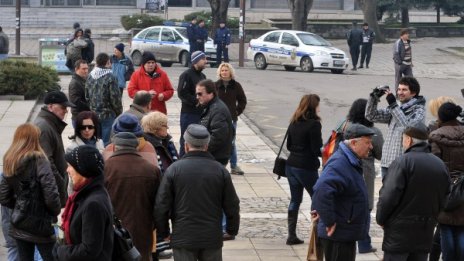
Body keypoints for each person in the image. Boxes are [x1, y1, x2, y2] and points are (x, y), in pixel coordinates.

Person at [155, 124, 240, 261]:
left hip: (183, 236)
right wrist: (232, 230)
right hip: (211, 237)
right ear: (206, 146)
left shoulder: (174, 170)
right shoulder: (220, 170)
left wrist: (164, 232)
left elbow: (161, 205)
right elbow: (232, 204)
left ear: (186, 146)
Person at [376, 123, 449, 261]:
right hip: (425, 230)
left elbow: (388, 196)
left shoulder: (402, 162)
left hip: (399, 233)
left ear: (408, 139)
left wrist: (381, 218)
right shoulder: (440, 165)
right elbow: (445, 197)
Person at [311, 123, 374, 261]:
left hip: (345, 233)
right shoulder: (340, 163)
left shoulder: (350, 161)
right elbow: (321, 190)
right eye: (367, 142)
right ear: (353, 143)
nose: (371, 146)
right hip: (339, 235)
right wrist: (329, 221)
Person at [0, 123, 61, 261]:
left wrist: (20, 206)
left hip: (20, 222)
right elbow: (51, 194)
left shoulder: (10, 160)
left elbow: (3, 196)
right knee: (51, 257)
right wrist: (54, 212)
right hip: (41, 222)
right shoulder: (40, 160)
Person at [105, 132, 161, 261]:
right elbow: (160, 204)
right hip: (144, 231)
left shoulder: (105, 168)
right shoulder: (152, 170)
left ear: (114, 147)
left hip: (114, 235)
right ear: (136, 147)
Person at [54, 145, 114, 260]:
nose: (67, 170)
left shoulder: (93, 204)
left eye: (71, 166)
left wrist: (61, 251)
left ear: (83, 170)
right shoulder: (87, 194)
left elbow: (89, 250)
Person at [365, 76, 425, 178]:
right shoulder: (397, 108)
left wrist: (393, 105)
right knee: (385, 194)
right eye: (399, 89)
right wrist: (374, 97)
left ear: (413, 93)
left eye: (404, 90)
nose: (400, 92)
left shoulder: (419, 110)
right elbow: (371, 116)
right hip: (386, 162)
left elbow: (408, 128)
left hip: (403, 165)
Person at [346, 99, 384, 254]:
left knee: (347, 204)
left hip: (346, 169)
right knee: (365, 206)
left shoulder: (345, 127)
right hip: (365, 171)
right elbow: (381, 154)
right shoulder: (373, 132)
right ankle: (364, 243)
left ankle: (348, 237)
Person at [284, 94, 322, 245]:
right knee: (317, 197)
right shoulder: (314, 125)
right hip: (306, 167)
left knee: (295, 200)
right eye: (318, 105)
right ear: (313, 107)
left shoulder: (294, 121)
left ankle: (291, 235)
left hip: (291, 165)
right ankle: (317, 233)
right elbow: (316, 150)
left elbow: (288, 146)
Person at [429, 103, 464, 261]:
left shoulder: (436, 136)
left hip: (445, 190)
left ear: (441, 116)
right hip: (463, 188)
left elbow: (434, 166)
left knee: (445, 228)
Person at [34, 90, 76, 207]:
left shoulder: (49, 123)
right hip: (49, 189)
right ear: (51, 107)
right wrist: (60, 184)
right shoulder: (44, 127)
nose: (66, 110)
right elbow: (46, 162)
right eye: (63, 107)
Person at [215, 63, 247, 175]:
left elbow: (243, 100)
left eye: (226, 70)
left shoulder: (236, 85)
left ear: (230, 72)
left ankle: (234, 166)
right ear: (219, 72)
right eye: (222, 70)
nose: (224, 72)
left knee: (231, 142)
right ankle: (219, 165)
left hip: (232, 119)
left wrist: (237, 112)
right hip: (218, 119)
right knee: (219, 142)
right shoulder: (215, 85)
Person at [85, 52, 123, 146]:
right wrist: (119, 112)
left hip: (93, 114)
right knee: (107, 143)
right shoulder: (111, 77)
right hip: (108, 115)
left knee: (94, 141)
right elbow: (115, 98)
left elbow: (87, 96)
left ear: (97, 62)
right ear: (108, 62)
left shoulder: (90, 76)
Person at [197, 79, 235, 166]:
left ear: (211, 93)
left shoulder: (217, 110)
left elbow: (218, 137)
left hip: (216, 157)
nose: (197, 97)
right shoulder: (211, 106)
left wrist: (202, 150)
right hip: (213, 156)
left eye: (200, 94)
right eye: (197, 94)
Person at [177, 51, 207, 156]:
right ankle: (182, 161)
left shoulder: (203, 76)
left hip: (201, 114)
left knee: (199, 140)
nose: (205, 61)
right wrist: (196, 101)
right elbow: (182, 93)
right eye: (203, 59)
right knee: (186, 139)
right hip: (188, 113)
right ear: (196, 61)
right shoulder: (186, 75)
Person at [68, 59, 90, 128]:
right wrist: (90, 107)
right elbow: (75, 101)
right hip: (79, 117)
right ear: (76, 69)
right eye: (83, 69)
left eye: (87, 68)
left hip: (85, 115)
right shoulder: (74, 83)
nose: (86, 71)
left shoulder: (83, 80)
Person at [393, 28, 413, 93]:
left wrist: (411, 62)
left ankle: (410, 93)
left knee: (410, 79)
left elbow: (409, 52)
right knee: (398, 80)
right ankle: (398, 94)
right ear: (402, 35)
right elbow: (396, 54)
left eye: (408, 34)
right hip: (401, 64)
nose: (408, 35)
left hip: (408, 64)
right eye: (406, 34)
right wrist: (400, 63)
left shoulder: (408, 42)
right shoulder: (398, 42)